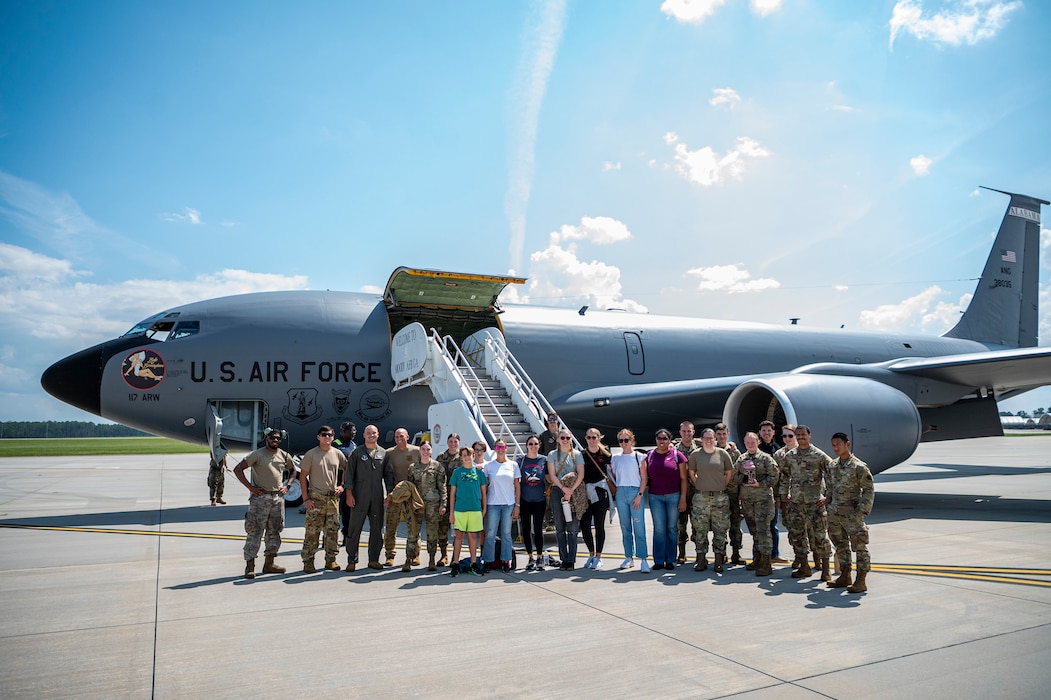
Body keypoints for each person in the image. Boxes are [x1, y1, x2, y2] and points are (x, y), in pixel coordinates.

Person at [232, 428, 296, 579]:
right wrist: (250, 487)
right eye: (273, 438)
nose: (275, 440)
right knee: (255, 531)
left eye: (278, 438)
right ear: (267, 438)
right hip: (260, 498)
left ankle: (269, 563)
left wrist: (288, 485)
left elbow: (293, 470)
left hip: (277, 499)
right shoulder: (258, 454)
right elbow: (238, 469)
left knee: (275, 531)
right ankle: (250, 566)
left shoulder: (283, 455)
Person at [781, 425, 833, 582]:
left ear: (809, 435)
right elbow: (784, 476)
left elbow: (832, 474)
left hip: (815, 504)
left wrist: (827, 496)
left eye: (803, 434)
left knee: (820, 537)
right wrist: (785, 494)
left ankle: (825, 569)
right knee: (797, 536)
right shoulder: (790, 456)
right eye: (798, 435)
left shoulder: (818, 455)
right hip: (796, 503)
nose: (801, 437)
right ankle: (804, 567)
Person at [826, 433, 874, 593]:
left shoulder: (859, 467)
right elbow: (830, 489)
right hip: (835, 514)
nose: (835, 448)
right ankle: (845, 575)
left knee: (860, 547)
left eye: (838, 444)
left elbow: (868, 490)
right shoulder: (832, 465)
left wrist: (861, 511)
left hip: (852, 514)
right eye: (833, 445)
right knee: (840, 546)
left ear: (848, 444)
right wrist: (828, 505)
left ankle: (861, 580)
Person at [298, 425, 347, 573]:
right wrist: (306, 499)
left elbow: (346, 468)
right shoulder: (311, 454)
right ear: (318, 437)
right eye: (324, 434)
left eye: (330, 435)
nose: (327, 437)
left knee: (332, 532)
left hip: (332, 499)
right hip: (316, 498)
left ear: (333, 437)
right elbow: (302, 477)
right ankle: (308, 561)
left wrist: (342, 485)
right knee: (312, 532)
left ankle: (331, 560)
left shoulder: (337, 453)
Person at [687, 428, 734, 572]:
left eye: (711, 438)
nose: (708, 441)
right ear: (701, 439)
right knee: (700, 530)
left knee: (720, 530)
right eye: (706, 438)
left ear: (715, 439)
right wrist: (701, 485)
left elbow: (728, 473)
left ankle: (719, 560)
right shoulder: (695, 455)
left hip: (720, 497)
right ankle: (701, 560)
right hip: (701, 497)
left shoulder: (722, 454)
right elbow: (692, 474)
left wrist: (720, 485)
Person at [344, 425, 390, 571]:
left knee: (376, 529)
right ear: (363, 435)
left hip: (376, 496)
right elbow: (349, 475)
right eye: (368, 433)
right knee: (354, 529)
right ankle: (352, 560)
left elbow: (388, 476)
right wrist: (349, 494)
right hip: (359, 496)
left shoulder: (383, 453)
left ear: (378, 434)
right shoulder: (356, 453)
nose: (371, 435)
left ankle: (374, 559)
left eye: (374, 433)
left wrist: (389, 494)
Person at [733, 432, 779, 577]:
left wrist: (761, 483)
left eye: (753, 442)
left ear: (758, 442)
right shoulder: (741, 459)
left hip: (763, 500)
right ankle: (758, 559)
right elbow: (735, 476)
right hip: (748, 502)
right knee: (754, 531)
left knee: (764, 531)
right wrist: (745, 476)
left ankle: (767, 563)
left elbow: (775, 476)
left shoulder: (766, 458)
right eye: (747, 442)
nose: (750, 444)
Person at [642, 428, 687, 571]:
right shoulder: (649, 456)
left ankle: (671, 560)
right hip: (655, 497)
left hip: (674, 496)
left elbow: (684, 478)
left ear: (669, 440)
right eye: (659, 438)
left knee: (672, 528)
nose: (662, 441)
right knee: (659, 529)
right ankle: (659, 560)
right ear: (656, 440)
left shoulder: (677, 455)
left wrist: (683, 498)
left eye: (665, 438)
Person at [610, 429, 649, 572]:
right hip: (621, 491)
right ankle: (628, 557)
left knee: (639, 527)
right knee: (625, 528)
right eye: (621, 440)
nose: (624, 443)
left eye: (626, 440)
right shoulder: (615, 458)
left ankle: (643, 559)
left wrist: (639, 495)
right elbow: (615, 475)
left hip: (635, 491)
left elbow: (644, 478)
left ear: (631, 441)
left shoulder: (639, 456)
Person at [382, 428, 421, 567]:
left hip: (411, 495)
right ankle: (389, 555)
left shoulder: (416, 451)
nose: (399, 438)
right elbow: (385, 473)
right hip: (395, 495)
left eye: (402, 436)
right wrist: (388, 493)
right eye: (397, 436)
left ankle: (415, 554)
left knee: (413, 526)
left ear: (408, 437)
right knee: (391, 526)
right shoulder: (389, 453)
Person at [547, 428, 585, 570]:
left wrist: (571, 490)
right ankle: (563, 559)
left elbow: (581, 474)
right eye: (562, 438)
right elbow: (552, 475)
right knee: (560, 527)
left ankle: (571, 560)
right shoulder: (552, 455)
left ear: (571, 439)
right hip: (558, 491)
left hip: (574, 492)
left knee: (573, 528)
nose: (565, 440)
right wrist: (564, 490)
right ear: (558, 439)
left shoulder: (577, 455)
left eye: (567, 438)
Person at [407, 442, 447, 571]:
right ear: (419, 451)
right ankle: (408, 559)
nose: (425, 451)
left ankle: (431, 559)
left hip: (433, 505)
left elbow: (442, 487)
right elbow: (410, 487)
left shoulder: (437, 467)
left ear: (431, 451)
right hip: (417, 504)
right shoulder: (412, 467)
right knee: (413, 532)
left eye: (428, 449)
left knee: (432, 532)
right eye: (423, 449)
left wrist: (443, 504)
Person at [448, 447, 488, 576]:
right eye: (463, 455)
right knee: (459, 536)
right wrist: (451, 513)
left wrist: (484, 507)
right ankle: (455, 563)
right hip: (460, 509)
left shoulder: (479, 473)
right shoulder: (457, 472)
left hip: (475, 509)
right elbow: (452, 494)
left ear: (473, 456)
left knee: (472, 536)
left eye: (468, 455)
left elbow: (483, 492)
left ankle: (473, 563)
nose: (466, 457)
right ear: (461, 458)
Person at [482, 439, 521, 572]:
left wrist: (517, 504)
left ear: (506, 448)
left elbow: (517, 486)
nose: (500, 449)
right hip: (493, 503)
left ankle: (506, 560)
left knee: (506, 533)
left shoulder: (513, 465)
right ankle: (487, 560)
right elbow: (483, 485)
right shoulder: (489, 466)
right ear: (494, 449)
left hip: (508, 504)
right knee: (490, 534)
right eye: (498, 447)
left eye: (502, 446)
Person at [774, 426, 807, 570]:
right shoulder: (779, 455)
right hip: (787, 499)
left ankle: (817, 559)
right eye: (784, 436)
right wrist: (780, 496)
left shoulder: (807, 452)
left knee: (810, 531)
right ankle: (799, 556)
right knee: (793, 530)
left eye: (790, 436)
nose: (787, 439)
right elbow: (778, 478)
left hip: (806, 499)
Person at [580, 428, 613, 569]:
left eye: (594, 437)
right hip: (586, 493)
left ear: (599, 438)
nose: (591, 440)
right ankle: (591, 553)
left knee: (599, 525)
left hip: (601, 492)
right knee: (585, 525)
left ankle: (599, 556)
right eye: (589, 437)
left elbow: (613, 472)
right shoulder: (581, 455)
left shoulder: (605, 455)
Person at [672, 421, 702, 564]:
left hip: (697, 492)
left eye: (689, 431)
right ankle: (682, 553)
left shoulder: (700, 447)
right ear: (680, 432)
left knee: (697, 524)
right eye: (684, 431)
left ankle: (699, 553)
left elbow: (717, 443)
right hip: (681, 491)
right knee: (680, 525)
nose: (686, 434)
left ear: (693, 432)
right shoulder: (674, 449)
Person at [517, 435, 548, 571]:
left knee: (538, 529)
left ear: (539, 445)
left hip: (539, 500)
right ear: (526, 445)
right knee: (526, 529)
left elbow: (549, 476)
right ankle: (530, 557)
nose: (533, 446)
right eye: (530, 444)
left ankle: (540, 556)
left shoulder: (544, 460)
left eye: (535, 444)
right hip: (525, 500)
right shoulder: (520, 460)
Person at [714, 423, 743, 564]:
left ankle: (736, 553)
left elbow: (739, 472)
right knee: (720, 525)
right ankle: (722, 553)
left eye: (724, 434)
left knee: (735, 524)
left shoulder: (734, 452)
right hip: (718, 493)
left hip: (732, 492)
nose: (721, 436)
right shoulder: (710, 450)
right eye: (718, 434)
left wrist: (740, 494)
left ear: (728, 433)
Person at [757, 420, 785, 563]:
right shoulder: (755, 448)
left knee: (773, 525)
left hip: (773, 494)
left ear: (773, 433)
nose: (766, 433)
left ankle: (775, 553)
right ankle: (758, 556)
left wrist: (779, 496)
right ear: (760, 433)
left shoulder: (778, 450)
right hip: (758, 493)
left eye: (769, 430)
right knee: (758, 526)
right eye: (764, 431)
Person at [434, 433, 463, 565]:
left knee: (459, 529)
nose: (453, 444)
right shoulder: (441, 457)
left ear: (459, 443)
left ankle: (455, 557)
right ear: (447, 443)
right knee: (443, 528)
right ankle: (444, 555)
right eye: (450, 441)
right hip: (444, 497)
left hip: (459, 498)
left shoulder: (463, 457)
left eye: (455, 442)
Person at [333, 421, 356, 545]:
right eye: (350, 431)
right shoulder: (336, 444)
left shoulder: (353, 444)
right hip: (337, 484)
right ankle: (329, 538)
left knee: (348, 512)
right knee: (334, 512)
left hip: (349, 485)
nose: (353, 433)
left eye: (354, 431)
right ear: (343, 431)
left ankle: (346, 535)